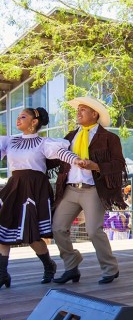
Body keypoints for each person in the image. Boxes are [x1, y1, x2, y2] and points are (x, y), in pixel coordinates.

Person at [0, 107, 81, 289]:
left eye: (23, 117)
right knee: (3, 229)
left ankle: (48, 265)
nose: (18, 119)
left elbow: (62, 154)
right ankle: (2, 274)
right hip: (15, 186)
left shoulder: (44, 143)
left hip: (35, 188)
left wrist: (77, 161)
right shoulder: (9, 141)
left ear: (34, 122)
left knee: (32, 235)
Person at [52, 96, 127, 285]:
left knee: (93, 231)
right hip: (70, 189)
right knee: (58, 228)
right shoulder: (70, 137)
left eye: (83, 109)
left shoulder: (109, 138)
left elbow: (119, 164)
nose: (78, 112)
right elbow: (55, 158)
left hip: (93, 189)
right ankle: (71, 265)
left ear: (95, 114)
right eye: (78, 110)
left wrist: (96, 166)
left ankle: (110, 268)